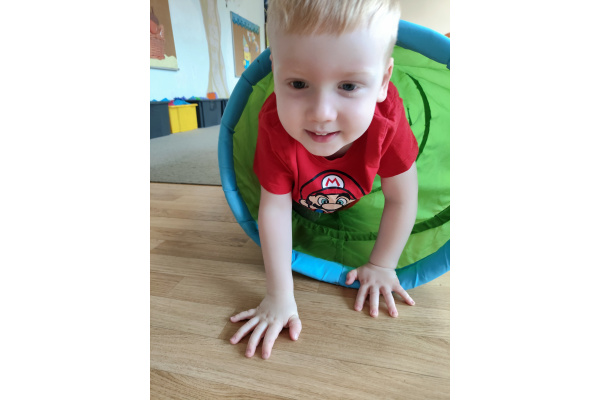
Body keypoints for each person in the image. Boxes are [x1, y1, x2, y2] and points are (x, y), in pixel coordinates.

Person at [229, 0, 419, 360]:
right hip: (300, 197)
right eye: (298, 83)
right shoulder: (274, 125)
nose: (321, 113)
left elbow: (402, 197)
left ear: (383, 82)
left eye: (348, 85)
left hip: (352, 198)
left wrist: (382, 265)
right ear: (275, 71)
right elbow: (275, 208)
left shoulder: (388, 120)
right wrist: (279, 295)